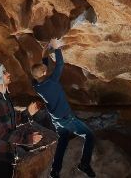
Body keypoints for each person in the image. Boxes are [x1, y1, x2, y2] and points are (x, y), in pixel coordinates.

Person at [31, 39, 96, 178]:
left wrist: (45, 51)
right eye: (45, 70)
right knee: (89, 136)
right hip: (66, 118)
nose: (46, 70)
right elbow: (60, 64)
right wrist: (56, 47)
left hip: (56, 120)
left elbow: (43, 67)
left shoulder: (36, 85)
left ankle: (55, 171)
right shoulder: (52, 82)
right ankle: (84, 164)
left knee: (63, 140)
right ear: (43, 73)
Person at [0, 61, 42, 178]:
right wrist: (28, 139)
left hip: (3, 156)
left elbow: (11, 122)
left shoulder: (4, 98)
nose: (8, 73)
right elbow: (3, 134)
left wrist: (28, 113)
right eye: (4, 72)